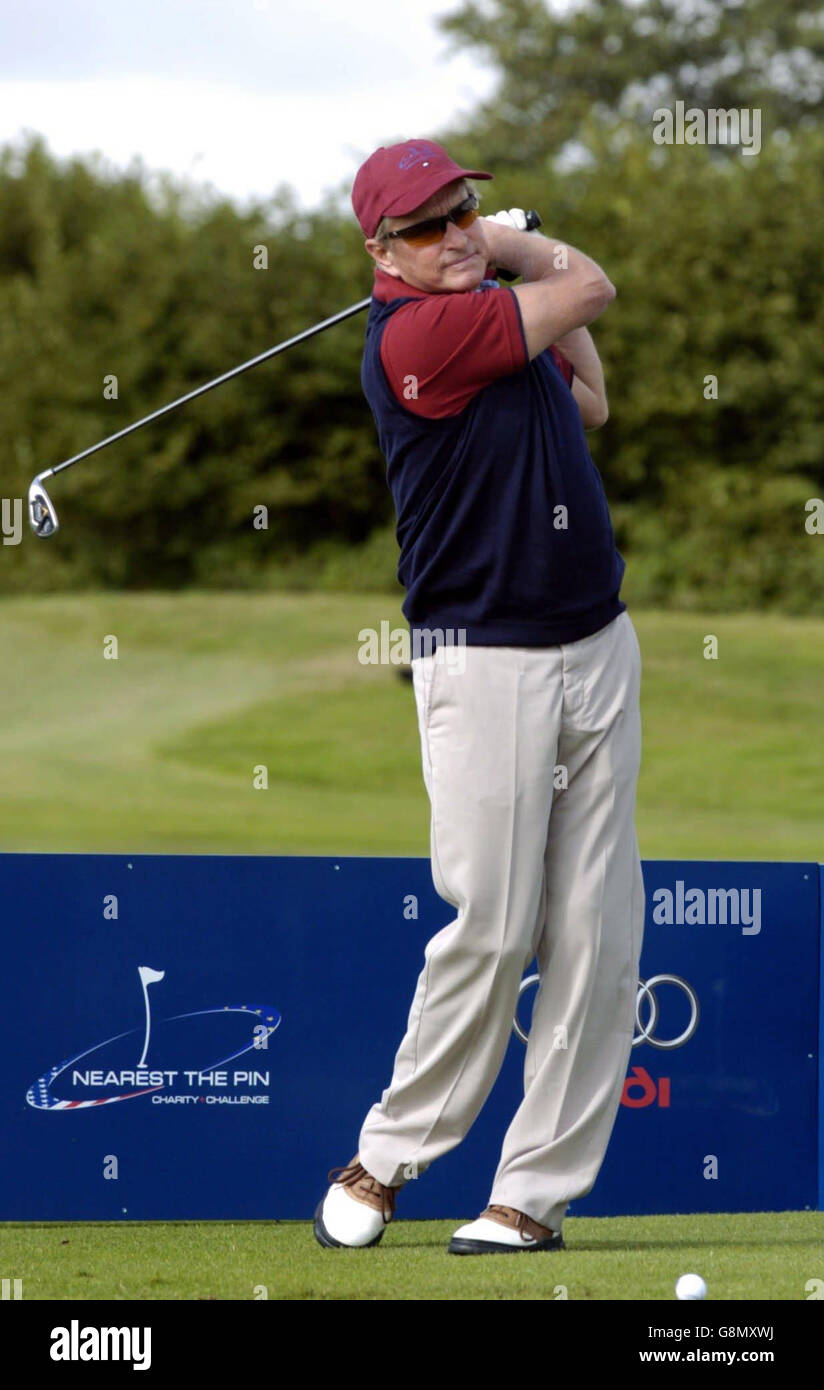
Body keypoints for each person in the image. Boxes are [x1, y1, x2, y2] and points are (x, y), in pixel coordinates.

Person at [314, 138, 645, 1255]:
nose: (455, 231)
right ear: (380, 252)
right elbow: (589, 282)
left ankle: (529, 1197)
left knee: (595, 931)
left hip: (595, 640)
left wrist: (511, 276)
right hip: (483, 655)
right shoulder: (421, 334)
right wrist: (519, 250)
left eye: (464, 209)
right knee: (492, 924)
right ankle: (389, 1153)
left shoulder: (490, 310)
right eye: (427, 225)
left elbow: (590, 397)